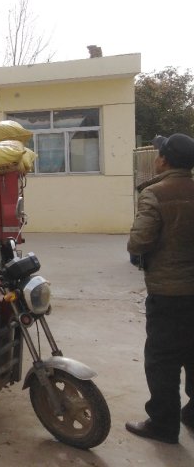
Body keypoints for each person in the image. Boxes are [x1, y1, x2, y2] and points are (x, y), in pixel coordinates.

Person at [125, 132, 194, 445]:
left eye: (159, 153)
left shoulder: (155, 194)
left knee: (162, 359)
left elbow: (139, 241)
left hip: (169, 293)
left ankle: (163, 425)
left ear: (164, 160)